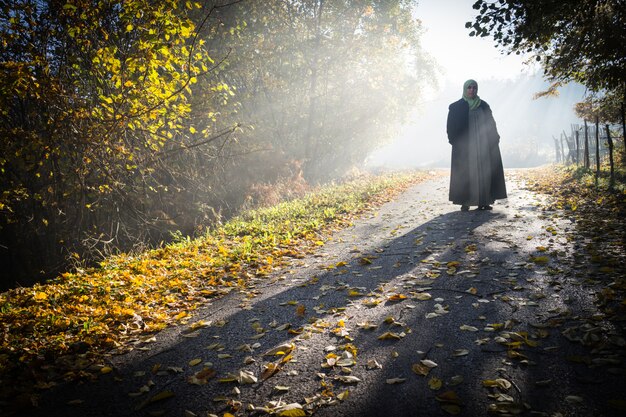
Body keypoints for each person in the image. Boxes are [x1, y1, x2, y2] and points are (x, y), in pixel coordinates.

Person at [446, 79, 507, 211]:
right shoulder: (456, 107)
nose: (472, 90)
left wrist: (495, 138)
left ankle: (484, 202)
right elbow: (450, 127)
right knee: (466, 173)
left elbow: (491, 123)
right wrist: (454, 141)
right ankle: (465, 202)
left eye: (474, 88)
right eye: (469, 87)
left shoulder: (483, 106)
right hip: (465, 147)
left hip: (484, 144)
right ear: (465, 89)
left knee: (484, 172)